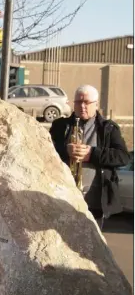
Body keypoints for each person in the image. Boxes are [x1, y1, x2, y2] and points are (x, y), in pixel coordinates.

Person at [50, 84, 130, 229]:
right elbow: (46, 151)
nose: (82, 106)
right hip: (63, 196)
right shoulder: (59, 126)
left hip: (95, 203)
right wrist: (64, 151)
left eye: (86, 102)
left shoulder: (109, 128)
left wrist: (92, 154)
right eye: (78, 102)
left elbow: (123, 157)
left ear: (96, 104)